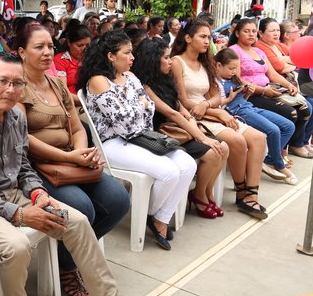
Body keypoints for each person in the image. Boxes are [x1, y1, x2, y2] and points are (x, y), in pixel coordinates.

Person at [0, 52, 129, 296]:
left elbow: (23, 166)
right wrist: (19, 214)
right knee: (17, 247)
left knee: (77, 222)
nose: (11, 89)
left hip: (14, 194)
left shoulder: (15, 118)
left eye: (18, 83)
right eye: (2, 81)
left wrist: (38, 192)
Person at [16, 24, 129, 296]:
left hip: (71, 161)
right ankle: (68, 266)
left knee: (118, 201)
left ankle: (66, 251)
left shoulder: (56, 84)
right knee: (82, 208)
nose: (46, 52)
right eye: (38, 47)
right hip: (38, 168)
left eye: (50, 47)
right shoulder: (17, 87)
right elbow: (23, 138)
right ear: (21, 52)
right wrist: (70, 157)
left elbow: (77, 128)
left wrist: (81, 153)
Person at [77, 31, 197, 250]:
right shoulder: (98, 81)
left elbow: (149, 110)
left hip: (141, 137)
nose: (133, 57)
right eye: (127, 52)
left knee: (188, 165)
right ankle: (151, 215)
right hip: (112, 143)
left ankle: (158, 216)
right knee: (169, 171)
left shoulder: (131, 77)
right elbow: (123, 123)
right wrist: (139, 105)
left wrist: (137, 107)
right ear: (111, 56)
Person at [171, 21, 269, 218]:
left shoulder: (206, 62)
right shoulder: (176, 62)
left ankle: (251, 194)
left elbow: (216, 95)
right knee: (237, 140)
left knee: (259, 138)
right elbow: (182, 100)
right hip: (194, 116)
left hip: (211, 111)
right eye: (202, 36)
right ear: (188, 38)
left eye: (208, 37)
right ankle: (242, 192)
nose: (208, 41)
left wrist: (210, 106)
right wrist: (215, 112)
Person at [132, 38, 231, 218]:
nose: (171, 62)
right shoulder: (144, 86)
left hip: (180, 130)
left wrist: (197, 130)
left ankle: (206, 193)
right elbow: (172, 114)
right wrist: (202, 137)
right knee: (213, 151)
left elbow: (182, 110)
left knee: (223, 147)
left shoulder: (165, 79)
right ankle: (199, 195)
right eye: (167, 58)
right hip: (163, 135)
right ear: (153, 60)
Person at [228, 18, 313, 160]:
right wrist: (263, 91)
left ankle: (286, 148)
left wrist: (288, 85)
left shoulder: (258, 51)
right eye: (246, 31)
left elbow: (272, 74)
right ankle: (277, 154)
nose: (251, 34)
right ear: (237, 33)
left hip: (268, 89)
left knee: (305, 108)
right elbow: (237, 80)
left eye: (253, 31)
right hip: (250, 95)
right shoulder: (233, 51)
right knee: (291, 113)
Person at [214, 48, 297, 184]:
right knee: (273, 130)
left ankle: (271, 159)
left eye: (236, 68)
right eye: (231, 68)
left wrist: (246, 93)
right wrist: (230, 98)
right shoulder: (215, 82)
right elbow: (219, 104)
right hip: (237, 112)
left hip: (248, 107)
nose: (234, 72)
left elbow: (243, 99)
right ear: (219, 65)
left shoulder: (233, 78)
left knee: (288, 126)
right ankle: (280, 165)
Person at [54, 25, 91, 94]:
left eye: (87, 45)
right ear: (69, 42)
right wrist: (85, 101)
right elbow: (63, 92)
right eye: (80, 45)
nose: (84, 49)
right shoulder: (60, 60)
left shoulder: (91, 58)